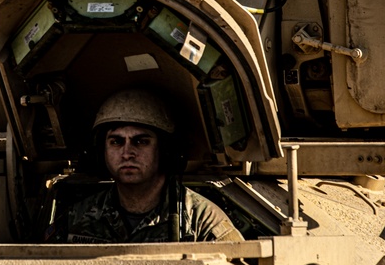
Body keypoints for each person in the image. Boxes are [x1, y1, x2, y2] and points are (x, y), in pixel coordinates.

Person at [49, 88, 243, 243]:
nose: (127, 153)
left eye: (141, 142)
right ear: (102, 152)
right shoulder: (76, 218)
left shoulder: (201, 221)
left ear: (165, 151)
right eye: (116, 142)